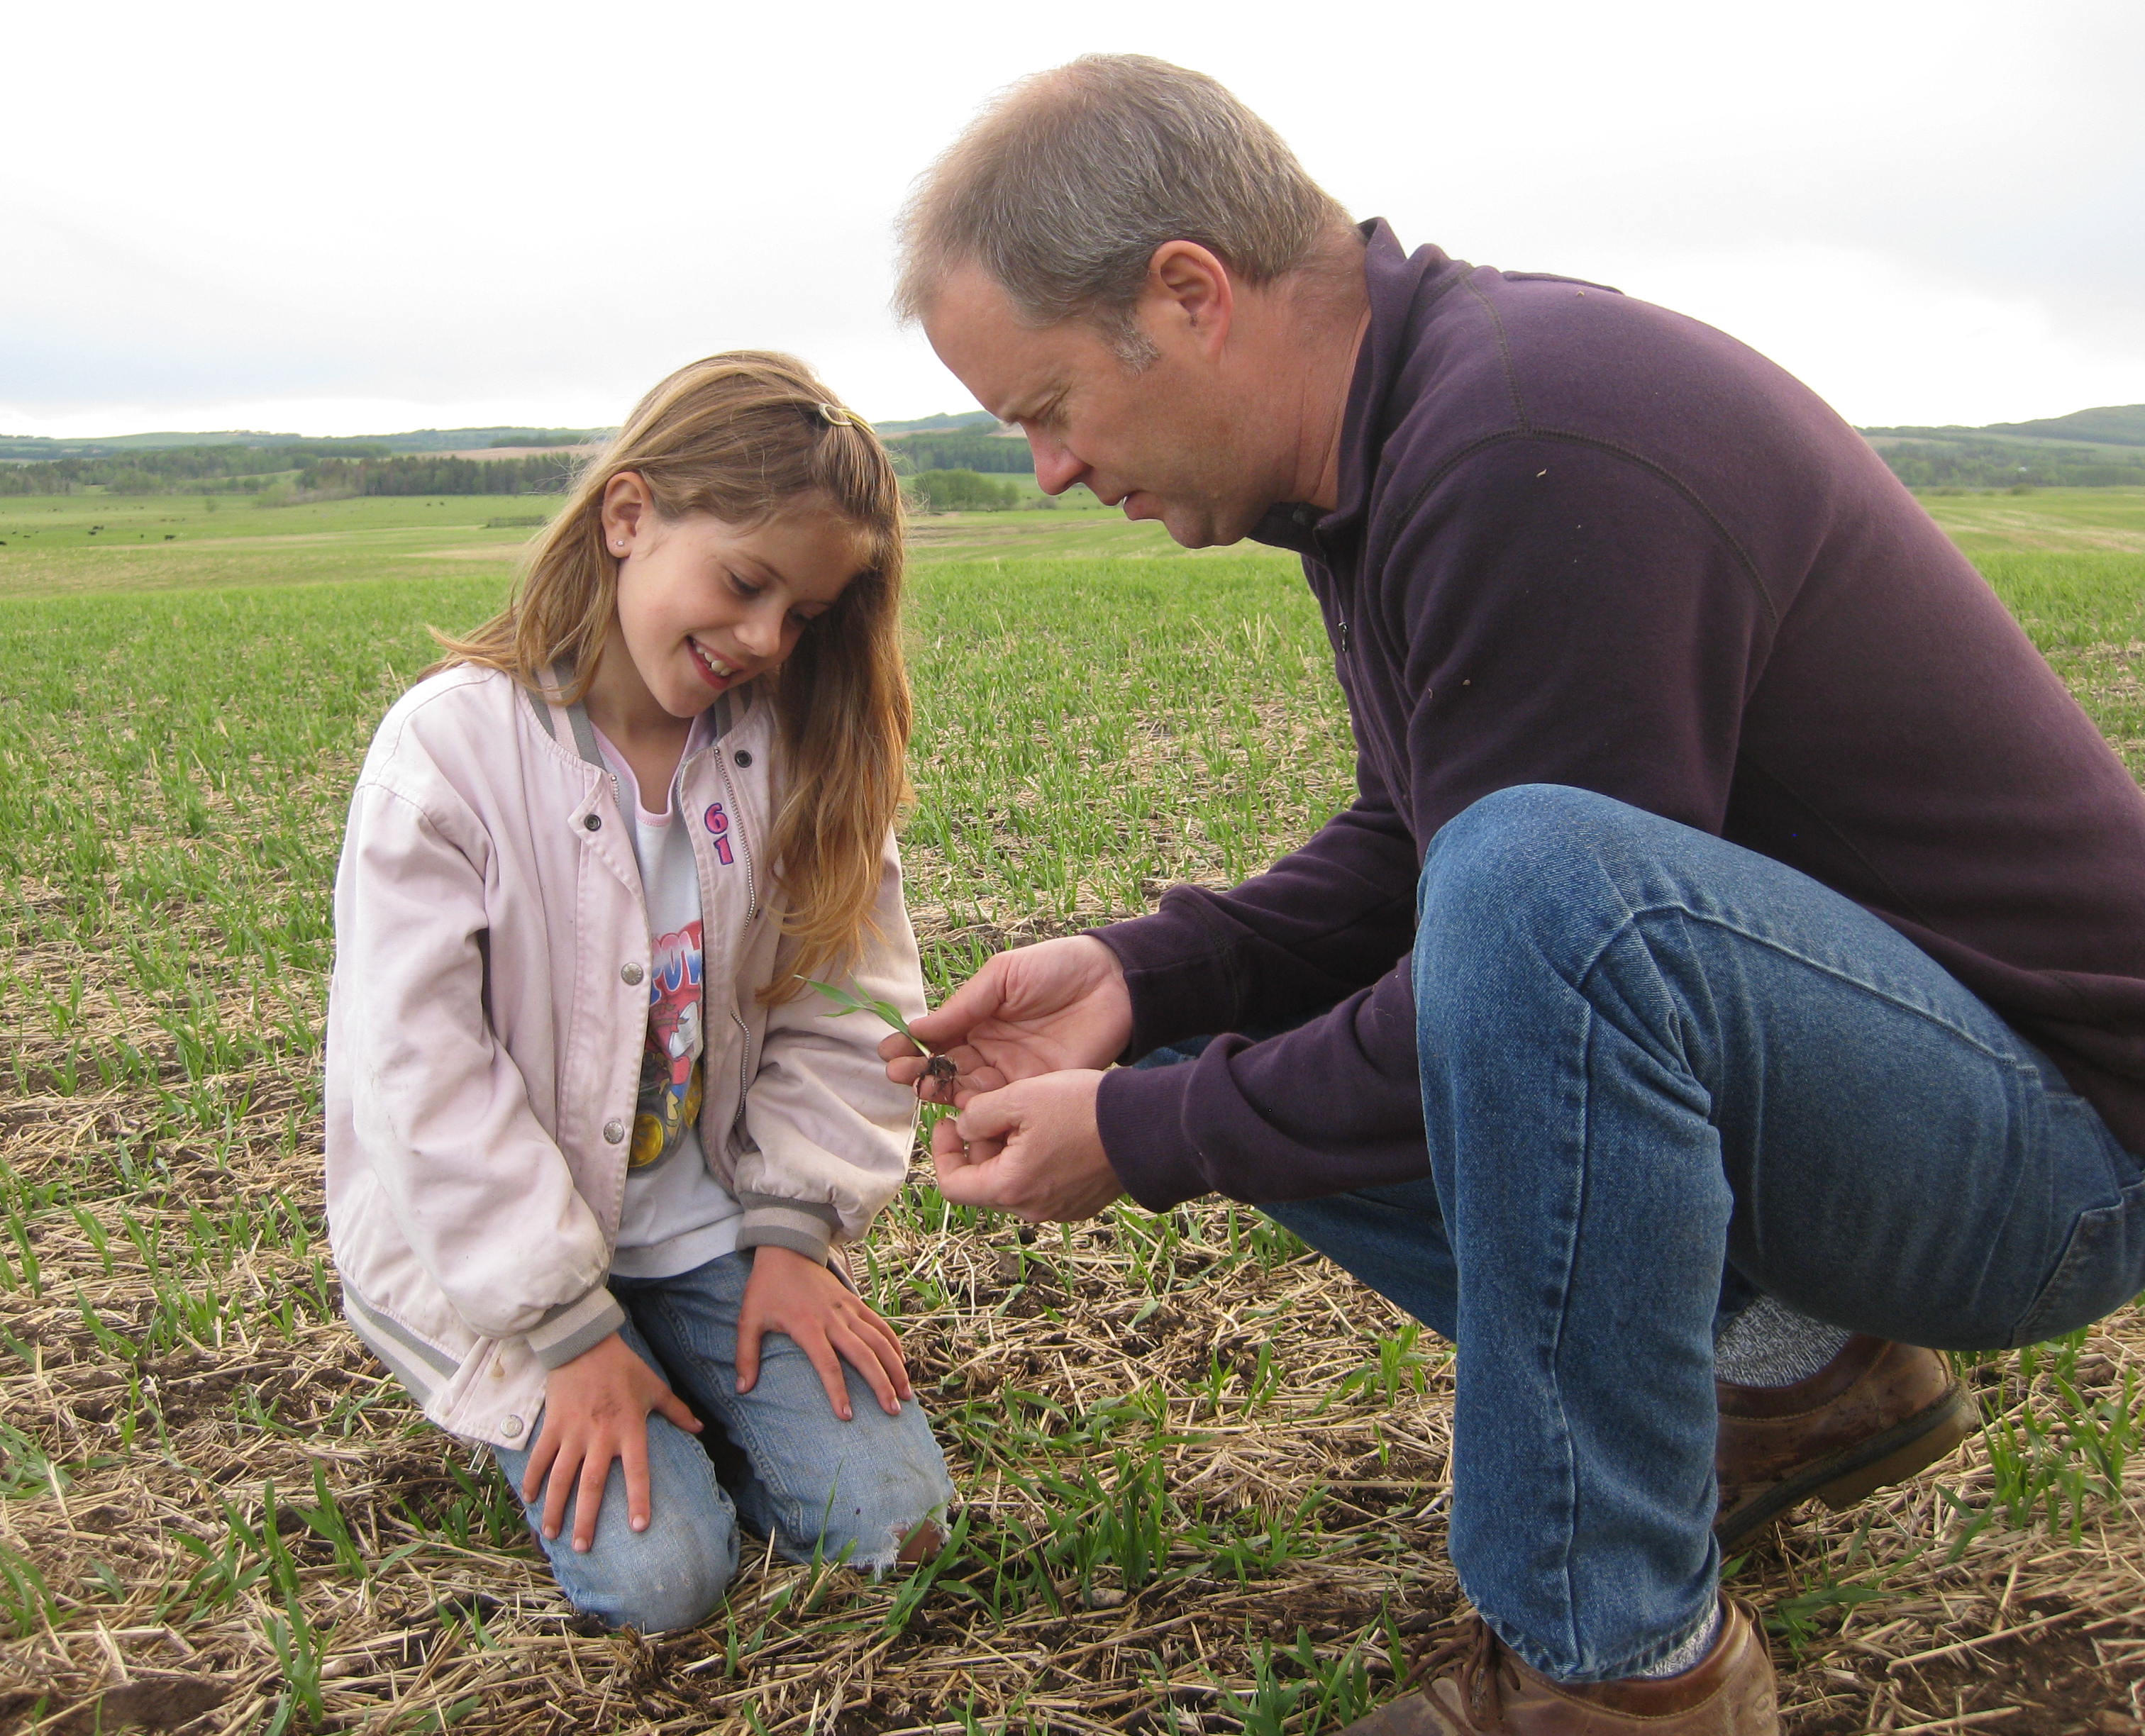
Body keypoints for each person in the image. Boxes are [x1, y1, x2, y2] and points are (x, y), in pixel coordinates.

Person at [883, 56, 2145, 1735]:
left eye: (1044, 407)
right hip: (1879, 1088)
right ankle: (1784, 1372)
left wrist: (1145, 1136)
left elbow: (1542, 929)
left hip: (2056, 1150)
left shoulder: (1523, 441)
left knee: (1531, 894)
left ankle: (1619, 1673)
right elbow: (1419, 849)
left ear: (1187, 296)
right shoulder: (1397, 445)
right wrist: (1143, 979)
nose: (1046, 466)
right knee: (1221, 1049)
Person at [326, 353, 953, 1635]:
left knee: (901, 1526)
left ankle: (682, 1368)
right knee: (668, 1586)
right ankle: (576, 1387)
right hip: (507, 1266)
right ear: (629, 518)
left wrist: (792, 1237)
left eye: (806, 611)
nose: (769, 638)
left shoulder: (791, 747)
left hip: (715, 1227)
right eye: (744, 582)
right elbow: (421, 1080)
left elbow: (849, 1004)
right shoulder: (446, 757)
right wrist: (566, 1330)